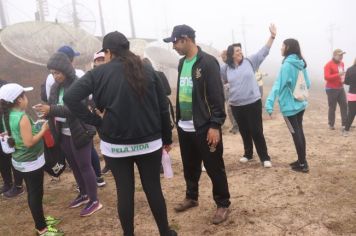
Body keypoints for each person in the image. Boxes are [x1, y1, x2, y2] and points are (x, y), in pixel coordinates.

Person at [63, 31, 177, 236]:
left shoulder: (98, 74)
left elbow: (70, 98)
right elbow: (162, 107)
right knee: (153, 189)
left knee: (125, 192)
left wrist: (96, 121)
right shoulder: (148, 70)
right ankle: (165, 232)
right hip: (149, 143)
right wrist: (166, 139)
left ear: (108, 52)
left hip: (115, 146)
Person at [163, 24, 231, 224]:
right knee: (190, 165)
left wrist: (215, 124)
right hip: (185, 126)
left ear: (185, 39)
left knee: (214, 167)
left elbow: (217, 96)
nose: (173, 46)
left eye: (175, 41)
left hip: (204, 126)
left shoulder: (208, 63)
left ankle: (223, 203)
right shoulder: (182, 62)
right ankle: (191, 197)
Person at [34, 52, 102, 217]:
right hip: (63, 132)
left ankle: (94, 201)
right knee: (74, 166)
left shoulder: (79, 84)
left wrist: (51, 109)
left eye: (57, 72)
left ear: (65, 70)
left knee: (85, 166)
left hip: (80, 131)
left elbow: (75, 109)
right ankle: (84, 194)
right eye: (52, 73)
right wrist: (46, 113)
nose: (55, 76)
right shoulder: (56, 88)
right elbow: (53, 106)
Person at [0, 83, 63, 235]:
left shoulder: (7, 115)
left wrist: (35, 126)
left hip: (19, 161)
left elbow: (18, 136)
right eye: (24, 95)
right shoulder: (21, 117)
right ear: (19, 100)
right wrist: (43, 129)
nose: (26, 98)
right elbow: (29, 142)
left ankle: (41, 219)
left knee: (33, 192)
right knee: (35, 194)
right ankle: (41, 228)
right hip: (31, 162)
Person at [221, 24, 276, 168]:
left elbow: (264, 51)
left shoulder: (250, 61)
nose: (240, 52)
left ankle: (265, 157)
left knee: (257, 130)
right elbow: (217, 74)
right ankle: (248, 154)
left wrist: (272, 37)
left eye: (240, 50)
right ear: (231, 54)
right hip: (236, 105)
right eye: (237, 51)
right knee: (244, 131)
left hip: (253, 103)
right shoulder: (226, 68)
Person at [265, 38, 311, 173]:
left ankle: (302, 164)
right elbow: (307, 84)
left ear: (288, 47)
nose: (281, 48)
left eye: (282, 46)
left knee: (295, 134)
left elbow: (278, 85)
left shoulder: (286, 65)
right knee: (300, 132)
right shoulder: (301, 63)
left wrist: (269, 103)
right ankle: (302, 160)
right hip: (300, 104)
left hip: (289, 108)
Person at [0, 79, 25, 198]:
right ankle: (7, 182)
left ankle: (18, 185)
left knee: (13, 155)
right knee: (2, 157)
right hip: (3, 131)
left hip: (7, 126)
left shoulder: (4, 85)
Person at [324, 49, 348, 131]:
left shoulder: (342, 63)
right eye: (340, 55)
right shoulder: (328, 65)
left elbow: (341, 75)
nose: (341, 56)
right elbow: (326, 77)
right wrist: (338, 75)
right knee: (332, 107)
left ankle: (345, 124)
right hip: (331, 89)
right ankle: (331, 124)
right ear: (334, 55)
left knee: (344, 105)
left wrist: (343, 79)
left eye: (342, 55)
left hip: (340, 88)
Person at [220, 50, 239, 134]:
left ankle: (237, 126)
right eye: (222, 58)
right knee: (229, 110)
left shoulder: (234, 66)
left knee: (232, 108)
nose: (223, 59)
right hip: (227, 91)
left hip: (235, 91)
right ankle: (234, 125)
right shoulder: (223, 68)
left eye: (224, 57)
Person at [343, 58, 356, 136]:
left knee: (351, 113)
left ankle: (346, 130)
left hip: (352, 94)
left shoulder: (349, 69)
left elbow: (346, 82)